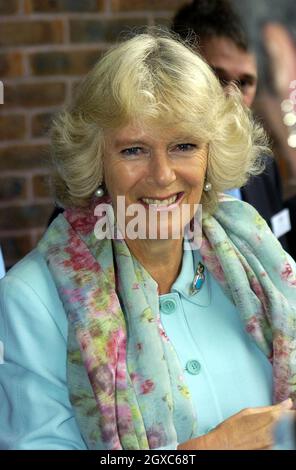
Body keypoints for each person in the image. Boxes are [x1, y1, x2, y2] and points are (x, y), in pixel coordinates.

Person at [0, 31, 295, 451]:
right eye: (134, 150)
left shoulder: (257, 252)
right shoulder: (33, 298)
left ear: (211, 155)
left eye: (183, 146)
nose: (162, 175)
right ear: (97, 159)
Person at [172, 0, 292, 253]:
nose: (233, 97)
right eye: (217, 78)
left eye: (245, 82)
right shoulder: (149, 175)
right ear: (176, 72)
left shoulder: (262, 165)